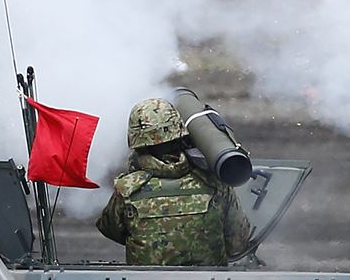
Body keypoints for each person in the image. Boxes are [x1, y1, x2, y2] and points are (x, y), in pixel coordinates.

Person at [96, 98, 250, 266]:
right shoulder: (215, 183)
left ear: (136, 141)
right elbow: (238, 243)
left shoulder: (126, 189)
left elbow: (111, 229)